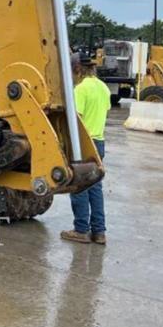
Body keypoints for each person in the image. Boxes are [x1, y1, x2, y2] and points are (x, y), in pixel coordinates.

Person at [61, 52, 111, 245]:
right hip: (98, 142)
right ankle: (99, 232)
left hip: (82, 143)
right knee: (95, 187)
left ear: (76, 69)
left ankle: (81, 229)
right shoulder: (103, 88)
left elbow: (77, 119)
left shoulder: (80, 90)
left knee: (79, 186)